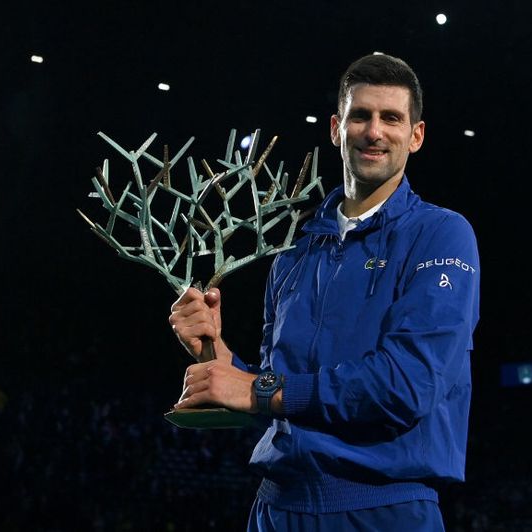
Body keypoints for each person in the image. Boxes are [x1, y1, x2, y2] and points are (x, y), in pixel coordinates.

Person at [168, 53, 480, 531]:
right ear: (336, 128)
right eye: (360, 116)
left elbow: (404, 386)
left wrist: (256, 389)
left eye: (391, 118)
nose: (374, 132)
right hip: (277, 509)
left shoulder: (441, 235)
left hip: (384, 511)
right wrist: (220, 358)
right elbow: (279, 400)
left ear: (415, 136)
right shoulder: (292, 250)